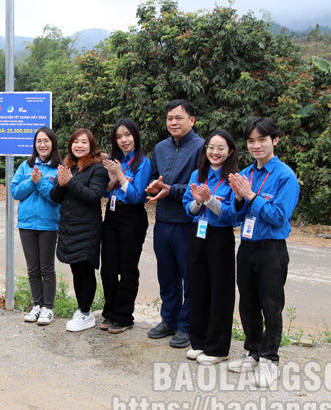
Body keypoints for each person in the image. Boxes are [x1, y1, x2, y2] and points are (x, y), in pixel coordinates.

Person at [227, 117, 299, 388]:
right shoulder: (245, 173)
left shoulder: (285, 177)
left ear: (275, 140)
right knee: (247, 302)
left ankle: (270, 359)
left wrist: (251, 197)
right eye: (251, 141)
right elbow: (235, 217)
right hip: (247, 247)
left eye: (262, 140)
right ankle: (253, 352)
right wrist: (237, 197)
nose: (256, 146)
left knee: (271, 305)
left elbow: (279, 217)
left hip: (271, 249)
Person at [145, 99, 204, 348]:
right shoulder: (160, 148)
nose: (173, 122)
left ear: (191, 120)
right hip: (163, 221)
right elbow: (154, 176)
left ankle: (187, 325)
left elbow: (203, 183)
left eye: (179, 118)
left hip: (188, 221)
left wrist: (173, 190)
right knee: (166, 274)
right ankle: (168, 319)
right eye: (170, 118)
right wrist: (154, 186)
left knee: (190, 276)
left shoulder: (202, 148)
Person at [181, 131, 239, 365]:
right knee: (198, 288)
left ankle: (217, 348)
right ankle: (199, 342)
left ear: (230, 152)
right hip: (198, 233)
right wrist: (197, 201)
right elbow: (187, 207)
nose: (215, 152)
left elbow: (234, 216)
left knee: (220, 292)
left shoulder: (234, 178)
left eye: (221, 148)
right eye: (211, 147)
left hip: (220, 236)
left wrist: (209, 200)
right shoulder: (198, 174)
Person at [50, 128, 108, 332]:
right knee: (76, 269)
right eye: (76, 142)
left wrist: (70, 182)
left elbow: (94, 196)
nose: (79, 145)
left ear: (92, 146)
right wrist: (60, 182)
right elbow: (55, 197)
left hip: (88, 228)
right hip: (69, 228)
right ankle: (82, 310)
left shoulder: (98, 168)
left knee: (86, 269)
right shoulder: (69, 167)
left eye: (84, 142)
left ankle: (86, 313)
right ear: (70, 145)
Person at [100, 118, 152, 334]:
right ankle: (110, 312)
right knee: (108, 268)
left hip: (132, 218)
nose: (123, 140)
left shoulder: (143, 162)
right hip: (112, 215)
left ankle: (124, 316)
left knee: (127, 268)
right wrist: (112, 180)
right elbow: (104, 192)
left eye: (127, 135)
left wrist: (120, 175)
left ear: (135, 136)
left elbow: (137, 196)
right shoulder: (113, 160)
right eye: (119, 136)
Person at [11, 127, 62, 325]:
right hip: (26, 224)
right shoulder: (25, 165)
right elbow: (16, 191)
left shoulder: (59, 168)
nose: (42, 144)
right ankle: (37, 305)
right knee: (33, 268)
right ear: (34, 144)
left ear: (53, 144)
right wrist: (32, 182)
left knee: (47, 268)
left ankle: (48, 307)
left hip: (48, 224)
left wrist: (39, 182)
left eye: (46, 141)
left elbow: (55, 197)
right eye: (39, 141)